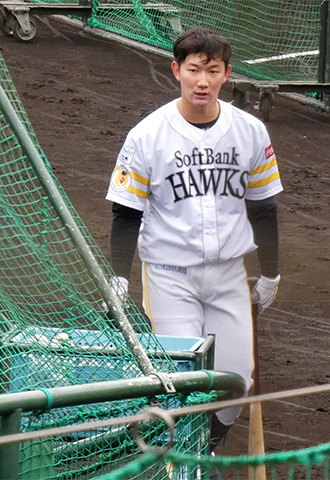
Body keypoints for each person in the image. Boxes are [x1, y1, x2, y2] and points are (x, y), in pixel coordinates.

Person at [105, 27, 283, 460]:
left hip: (228, 276)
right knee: (182, 381)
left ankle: (203, 452)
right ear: (176, 71)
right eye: (194, 70)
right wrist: (118, 278)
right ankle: (190, 466)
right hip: (170, 275)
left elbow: (263, 207)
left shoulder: (250, 131)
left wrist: (271, 273)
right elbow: (126, 213)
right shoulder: (147, 135)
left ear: (227, 75)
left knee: (235, 384)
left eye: (213, 71)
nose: (202, 81)